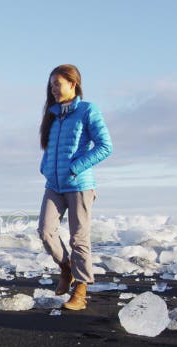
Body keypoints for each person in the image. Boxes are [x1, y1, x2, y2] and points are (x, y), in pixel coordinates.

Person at [37, 64, 113, 311]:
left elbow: (105, 146)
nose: (53, 89)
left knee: (79, 238)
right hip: (54, 184)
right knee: (46, 231)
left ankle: (80, 290)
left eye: (57, 84)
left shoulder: (88, 110)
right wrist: (46, 167)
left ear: (73, 84)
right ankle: (66, 269)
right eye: (51, 85)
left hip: (79, 184)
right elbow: (49, 148)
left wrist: (74, 167)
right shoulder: (53, 114)